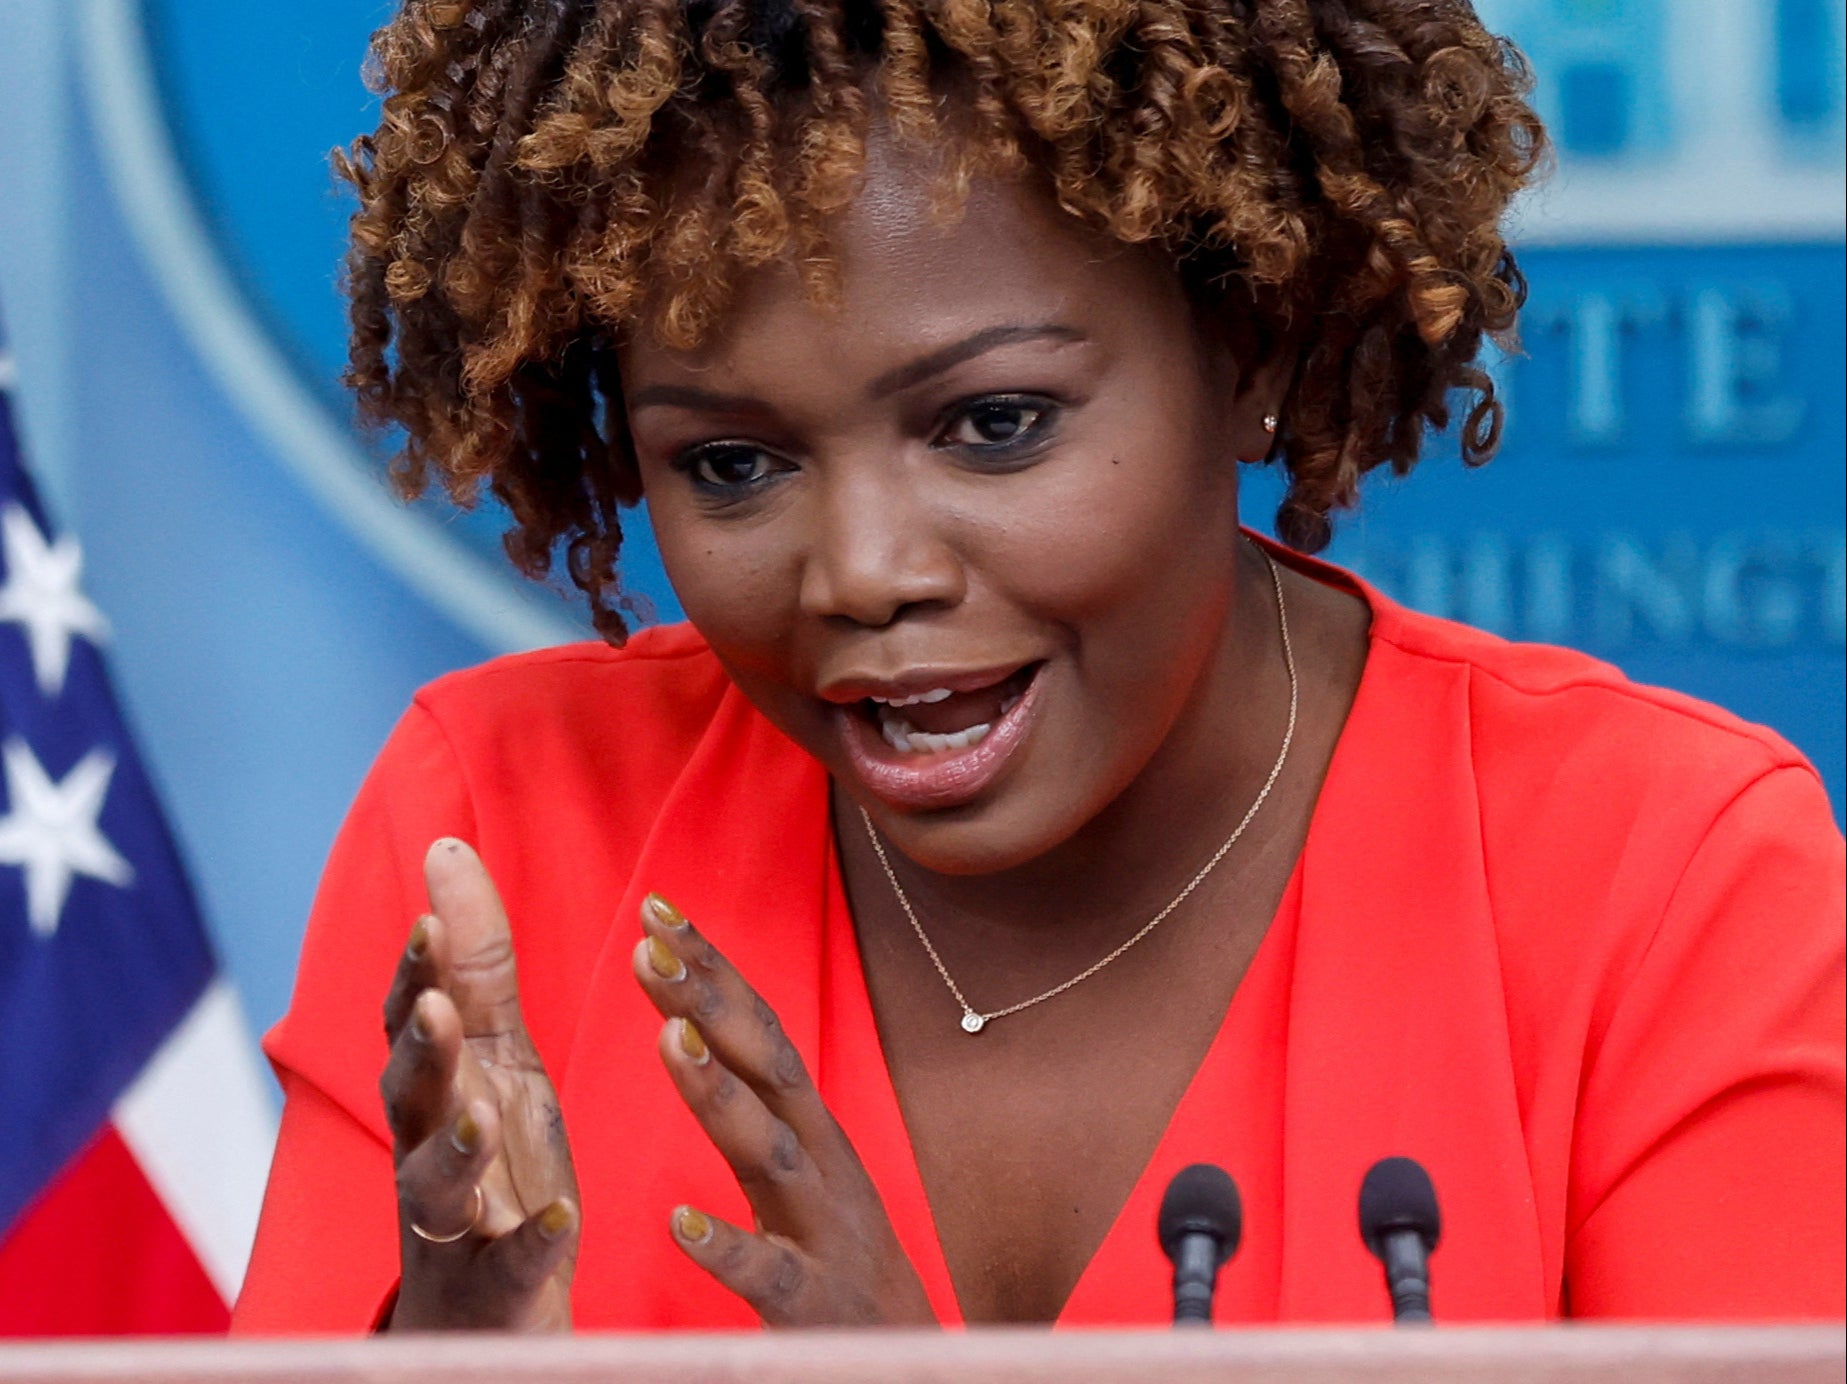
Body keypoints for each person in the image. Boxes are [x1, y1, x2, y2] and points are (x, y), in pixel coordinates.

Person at [231, 0, 1845, 1332]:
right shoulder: (503, 834)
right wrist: (430, 1369)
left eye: (994, 426)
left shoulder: (1662, 881)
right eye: (731, 464)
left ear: (1254, 347)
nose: (864, 573)